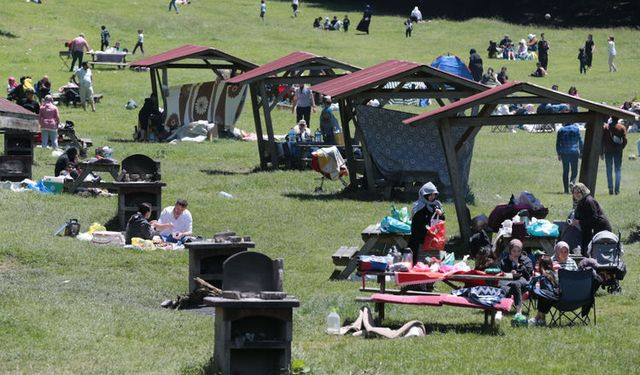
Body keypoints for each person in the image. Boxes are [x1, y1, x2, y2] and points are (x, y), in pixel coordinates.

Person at [408, 182, 444, 265]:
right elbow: (417, 223)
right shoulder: (419, 206)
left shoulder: (436, 205)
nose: (432, 197)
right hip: (419, 234)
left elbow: (441, 221)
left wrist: (440, 214)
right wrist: (427, 229)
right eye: (430, 195)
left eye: (434, 195)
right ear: (424, 195)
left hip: (433, 234)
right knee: (415, 246)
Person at [571, 183, 612, 255]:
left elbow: (594, 218)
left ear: (583, 192)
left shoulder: (589, 201)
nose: (576, 194)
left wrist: (579, 222)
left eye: (578, 192)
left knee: (600, 250)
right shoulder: (581, 201)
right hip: (591, 228)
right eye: (575, 192)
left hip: (601, 228)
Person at [498, 239, 533, 319]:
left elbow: (528, 274)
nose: (516, 253)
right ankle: (500, 310)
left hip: (523, 280)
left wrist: (518, 265)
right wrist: (510, 271)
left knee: (515, 284)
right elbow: (502, 272)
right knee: (503, 288)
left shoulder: (526, 260)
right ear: (510, 250)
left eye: (518, 251)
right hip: (508, 281)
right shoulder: (505, 260)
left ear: (521, 251)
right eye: (514, 251)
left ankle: (518, 312)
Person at [527, 256, 559, 327]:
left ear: (541, 266)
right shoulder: (554, 273)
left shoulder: (544, 276)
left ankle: (540, 319)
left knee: (542, 294)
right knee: (543, 295)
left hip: (551, 297)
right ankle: (539, 318)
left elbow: (546, 290)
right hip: (558, 296)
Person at [556, 122, 583, 194]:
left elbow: (558, 143)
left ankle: (566, 190)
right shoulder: (576, 129)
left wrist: (559, 153)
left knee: (565, 171)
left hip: (564, 152)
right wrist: (581, 152)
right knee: (574, 170)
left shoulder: (561, 130)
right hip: (574, 152)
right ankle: (572, 182)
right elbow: (581, 141)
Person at [602, 120, 627, 195]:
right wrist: (621, 147)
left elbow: (602, 140)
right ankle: (617, 190)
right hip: (618, 151)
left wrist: (601, 152)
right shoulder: (622, 127)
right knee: (618, 171)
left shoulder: (606, 128)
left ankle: (610, 189)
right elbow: (625, 140)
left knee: (609, 170)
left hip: (608, 151)